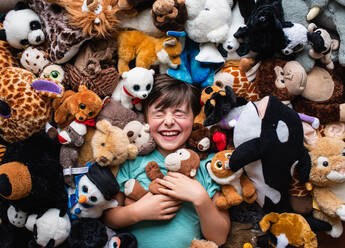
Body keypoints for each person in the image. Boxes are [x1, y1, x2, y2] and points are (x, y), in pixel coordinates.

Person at [104, 74, 230, 248]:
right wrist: (137, 212)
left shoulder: (206, 166)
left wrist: (200, 198)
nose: (169, 121)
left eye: (179, 113)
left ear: (195, 118)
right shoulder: (132, 161)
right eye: (159, 113)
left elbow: (220, 237)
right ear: (146, 118)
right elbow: (109, 217)